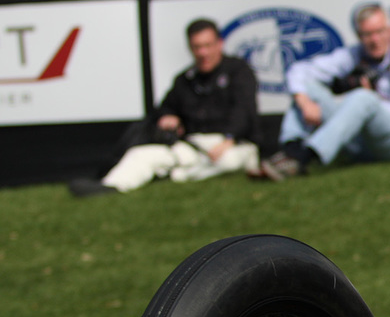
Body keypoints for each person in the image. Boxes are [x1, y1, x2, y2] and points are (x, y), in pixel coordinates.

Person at [69, 18, 260, 197]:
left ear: (219, 43)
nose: (203, 53)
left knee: (229, 161)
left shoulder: (239, 71)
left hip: (232, 144)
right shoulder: (185, 79)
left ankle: (177, 174)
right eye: (197, 47)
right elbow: (164, 107)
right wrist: (168, 117)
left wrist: (228, 139)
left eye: (208, 46)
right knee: (142, 154)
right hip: (194, 146)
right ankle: (112, 186)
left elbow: (245, 111)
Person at [255, 4, 390, 180]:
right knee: (307, 89)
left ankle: (304, 157)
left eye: (380, 32)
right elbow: (298, 71)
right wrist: (304, 101)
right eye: (367, 34)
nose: (374, 40)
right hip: (360, 142)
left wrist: (375, 105)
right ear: (358, 36)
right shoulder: (353, 55)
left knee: (363, 98)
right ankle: (290, 151)